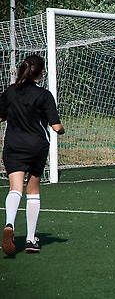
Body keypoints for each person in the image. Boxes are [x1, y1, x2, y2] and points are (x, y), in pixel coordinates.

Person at [1, 54, 65, 256]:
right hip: (35, 147)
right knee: (33, 189)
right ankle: (30, 239)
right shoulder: (44, 95)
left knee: (15, 188)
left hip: (13, 146)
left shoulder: (10, 92)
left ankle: (10, 223)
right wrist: (62, 129)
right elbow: (56, 127)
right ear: (41, 73)